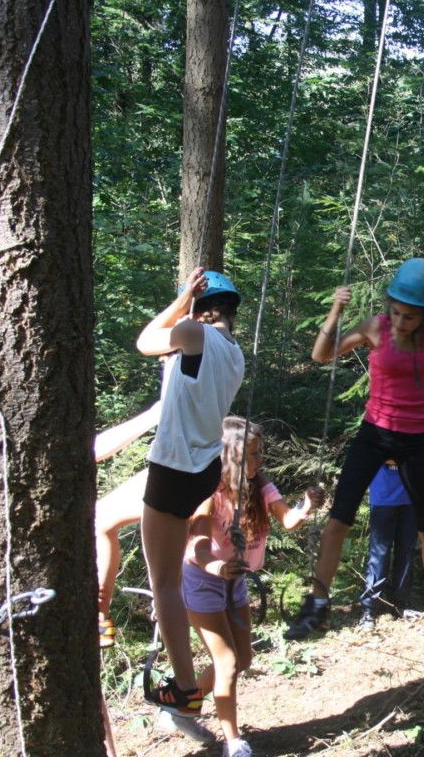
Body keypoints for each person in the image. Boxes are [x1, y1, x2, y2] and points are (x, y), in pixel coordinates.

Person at [285, 258, 424, 640]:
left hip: (415, 438)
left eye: (409, 316)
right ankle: (317, 606)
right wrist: (335, 311)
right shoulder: (377, 327)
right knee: (339, 519)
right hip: (374, 434)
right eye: (395, 311)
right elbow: (322, 354)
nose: (400, 321)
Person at [136, 267, 245, 718]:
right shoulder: (235, 353)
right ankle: (183, 683)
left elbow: (146, 341)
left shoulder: (193, 334)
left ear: (201, 310)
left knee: (164, 581)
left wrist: (181, 299)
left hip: (173, 469)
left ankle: (184, 686)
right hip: (204, 469)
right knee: (170, 578)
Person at [183, 417, 322, 756]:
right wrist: (217, 565)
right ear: (230, 456)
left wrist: (306, 505)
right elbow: (199, 544)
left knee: (243, 658)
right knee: (228, 663)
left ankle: (180, 704)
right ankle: (233, 743)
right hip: (203, 582)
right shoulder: (210, 493)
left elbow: (287, 520)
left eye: (259, 453)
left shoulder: (261, 486)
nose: (260, 461)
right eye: (253, 454)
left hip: (236, 580)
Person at [95, 400, 162, 649]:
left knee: (100, 520)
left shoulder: (183, 364)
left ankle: (99, 616)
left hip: (176, 467)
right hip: (203, 461)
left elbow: (94, 450)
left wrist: (155, 413)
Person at [359, 427, 424, 629]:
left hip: (410, 497)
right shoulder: (379, 419)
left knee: (406, 552)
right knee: (380, 553)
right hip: (383, 498)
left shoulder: (420, 416)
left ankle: (400, 604)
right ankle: (369, 610)